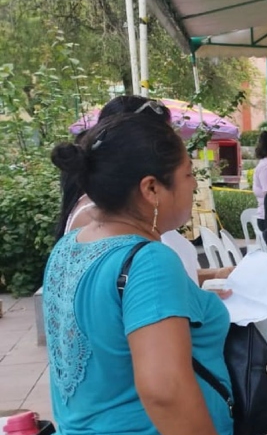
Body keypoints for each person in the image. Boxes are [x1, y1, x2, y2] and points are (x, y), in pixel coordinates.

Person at [39, 112, 267, 435]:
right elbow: (163, 386)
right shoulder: (147, 260)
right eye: (186, 175)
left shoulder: (72, 246)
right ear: (151, 188)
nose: (194, 186)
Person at [60, 95, 232, 289]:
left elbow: (149, 288)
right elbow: (146, 290)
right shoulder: (110, 223)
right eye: (186, 174)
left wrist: (214, 276)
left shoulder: (130, 215)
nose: (193, 184)